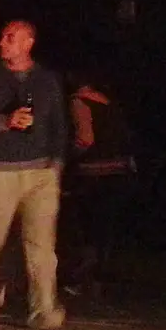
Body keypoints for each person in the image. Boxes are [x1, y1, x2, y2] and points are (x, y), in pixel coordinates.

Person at [0, 20, 68, 329]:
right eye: (2, 36)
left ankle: (44, 309)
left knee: (41, 246)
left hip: (40, 173)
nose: (2, 42)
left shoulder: (46, 80)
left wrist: (56, 165)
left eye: (10, 37)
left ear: (28, 42)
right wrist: (3, 122)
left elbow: (59, 124)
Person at [64, 73, 138, 303]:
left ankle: (81, 280)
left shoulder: (78, 101)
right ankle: (100, 283)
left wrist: (66, 156)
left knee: (88, 230)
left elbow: (85, 138)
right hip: (119, 171)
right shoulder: (109, 103)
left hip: (94, 172)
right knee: (106, 230)